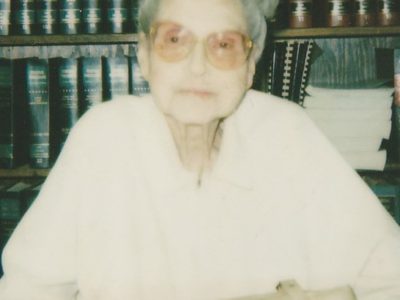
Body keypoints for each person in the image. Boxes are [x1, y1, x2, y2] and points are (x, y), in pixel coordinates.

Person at [1, 0, 400, 299]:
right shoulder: (104, 139)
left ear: (249, 66)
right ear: (143, 55)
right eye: (175, 40)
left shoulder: (286, 133)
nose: (198, 66)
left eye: (223, 45)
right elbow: (27, 290)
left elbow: (389, 276)